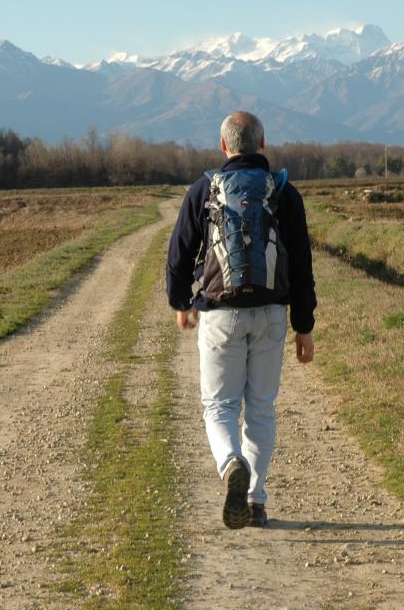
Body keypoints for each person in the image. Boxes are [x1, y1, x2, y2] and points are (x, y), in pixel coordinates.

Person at [166, 111, 316, 529]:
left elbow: (178, 256)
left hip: (220, 315)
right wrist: (304, 326)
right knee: (262, 408)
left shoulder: (204, 190)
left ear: (223, 146)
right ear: (263, 144)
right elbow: (302, 266)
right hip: (271, 313)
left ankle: (231, 464)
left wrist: (182, 303)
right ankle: (255, 501)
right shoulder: (285, 193)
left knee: (220, 405)